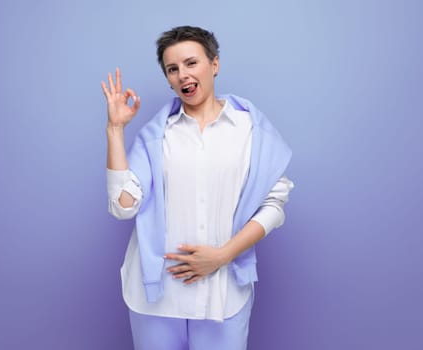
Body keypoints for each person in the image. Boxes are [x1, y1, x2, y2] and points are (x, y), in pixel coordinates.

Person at [102, 25, 294, 350]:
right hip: (156, 296)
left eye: (191, 63)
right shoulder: (156, 136)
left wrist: (222, 255)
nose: (182, 75)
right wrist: (115, 129)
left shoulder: (250, 130)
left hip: (223, 294)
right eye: (172, 69)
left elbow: (274, 205)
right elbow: (124, 206)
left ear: (214, 64)